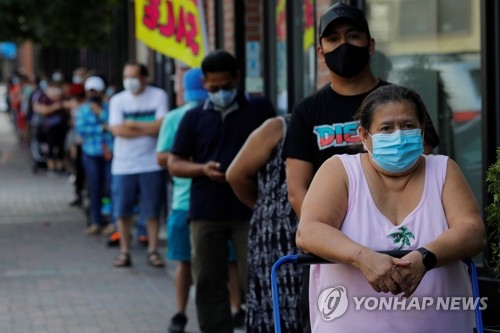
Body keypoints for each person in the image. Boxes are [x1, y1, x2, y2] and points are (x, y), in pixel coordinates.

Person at [282, 3, 440, 331]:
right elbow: (298, 190)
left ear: (370, 44)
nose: (344, 45)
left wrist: (394, 243)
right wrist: (352, 249)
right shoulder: (307, 111)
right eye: (334, 38)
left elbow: (424, 169)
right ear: (320, 49)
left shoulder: (400, 102)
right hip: (335, 259)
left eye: (353, 36)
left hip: (409, 259)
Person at [295, 84, 486, 332]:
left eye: (407, 126)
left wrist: (425, 257)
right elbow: (308, 232)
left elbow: (472, 231)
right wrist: (364, 259)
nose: (398, 135)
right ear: (364, 136)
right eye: (386, 128)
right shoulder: (340, 170)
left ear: (422, 130)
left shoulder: (443, 170)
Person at [168, 50, 276, 333]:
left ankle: (259, 326)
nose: (221, 93)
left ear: (237, 79)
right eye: (214, 88)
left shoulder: (260, 109)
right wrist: (202, 170)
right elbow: (174, 163)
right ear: (204, 83)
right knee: (207, 279)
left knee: (256, 276)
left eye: (227, 87)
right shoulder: (193, 117)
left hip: (249, 208)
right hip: (206, 209)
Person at [226, 114, 303, 333]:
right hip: (278, 239)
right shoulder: (280, 127)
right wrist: (268, 209)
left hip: (328, 235)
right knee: (276, 309)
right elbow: (236, 175)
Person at [108, 61, 168, 268]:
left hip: (151, 164)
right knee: (122, 211)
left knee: (152, 210)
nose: (130, 81)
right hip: (123, 165)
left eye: (134, 76)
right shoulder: (118, 100)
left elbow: (162, 126)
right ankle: (125, 251)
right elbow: (117, 130)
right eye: (127, 77)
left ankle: (152, 250)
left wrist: (133, 124)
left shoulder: (158, 96)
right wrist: (147, 128)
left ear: (144, 77)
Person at [75, 76, 115, 236]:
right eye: (90, 91)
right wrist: (101, 128)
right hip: (90, 153)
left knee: (111, 188)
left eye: (95, 91)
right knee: (94, 188)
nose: (92, 94)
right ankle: (96, 221)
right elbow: (81, 130)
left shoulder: (109, 107)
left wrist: (101, 116)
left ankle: (113, 221)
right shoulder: (82, 110)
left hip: (108, 153)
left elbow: (114, 126)